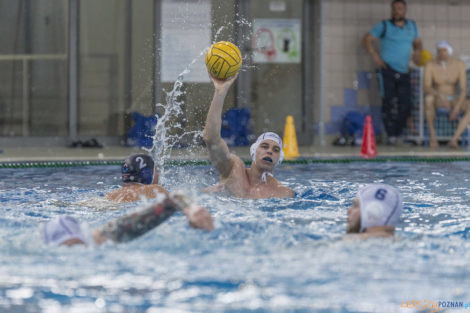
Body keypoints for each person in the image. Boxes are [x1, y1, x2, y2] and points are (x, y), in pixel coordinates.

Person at [203, 74, 294, 199]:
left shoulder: (283, 193)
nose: (269, 151)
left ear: (280, 158)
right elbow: (211, 139)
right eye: (264, 146)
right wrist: (220, 91)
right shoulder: (234, 170)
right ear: (253, 151)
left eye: (276, 150)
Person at [44, 192, 214, 247]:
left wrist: (192, 209)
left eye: (77, 246)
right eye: (66, 248)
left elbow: (176, 199)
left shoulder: (106, 236)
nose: (73, 253)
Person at [363, 0, 422, 145]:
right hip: (386, 70)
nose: (397, 11)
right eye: (394, 9)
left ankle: (399, 134)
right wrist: (375, 56)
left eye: (400, 8)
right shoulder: (384, 26)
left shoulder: (411, 26)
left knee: (405, 103)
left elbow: (418, 42)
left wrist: (417, 52)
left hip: (404, 71)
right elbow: (367, 39)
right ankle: (390, 135)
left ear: (405, 10)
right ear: (391, 10)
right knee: (388, 102)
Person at [424, 40, 470, 149]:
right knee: (428, 99)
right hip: (438, 99)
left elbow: (464, 89)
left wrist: (457, 107)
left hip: (454, 98)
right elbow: (426, 87)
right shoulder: (430, 64)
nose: (441, 53)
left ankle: (454, 139)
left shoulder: (459, 64)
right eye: (439, 51)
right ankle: (433, 138)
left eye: (444, 50)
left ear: (449, 51)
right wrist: (439, 95)